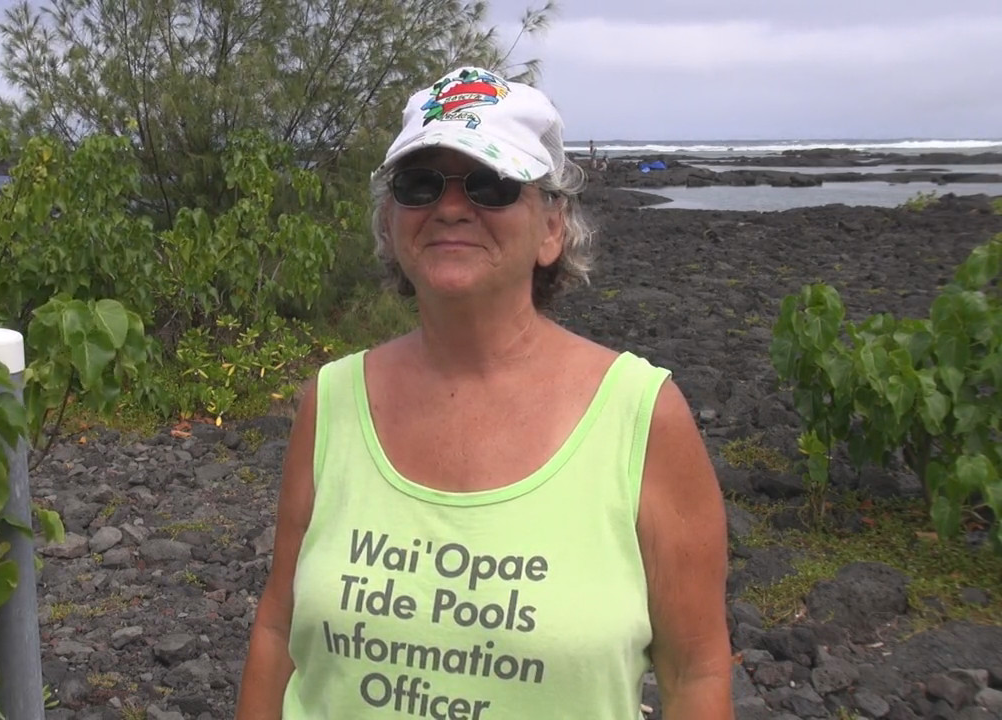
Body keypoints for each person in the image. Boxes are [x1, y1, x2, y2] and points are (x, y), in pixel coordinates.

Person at [235, 66, 733, 720]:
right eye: (419, 184)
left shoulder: (640, 416)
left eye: (490, 184)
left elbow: (695, 671)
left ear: (552, 229)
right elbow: (278, 629)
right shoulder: (332, 402)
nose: (449, 207)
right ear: (391, 222)